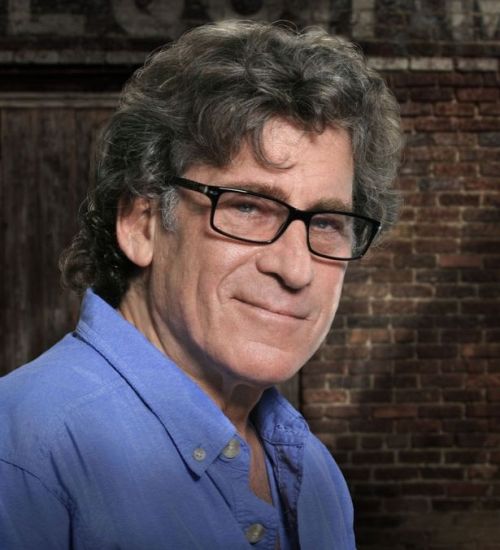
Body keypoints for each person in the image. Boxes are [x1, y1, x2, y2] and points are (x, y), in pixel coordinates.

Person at [0, 20, 402, 549]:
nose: (296, 269)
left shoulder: (316, 476)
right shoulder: (22, 455)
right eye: (248, 207)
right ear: (142, 224)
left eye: (326, 222)